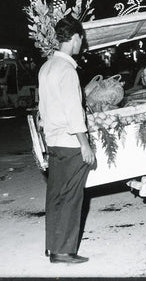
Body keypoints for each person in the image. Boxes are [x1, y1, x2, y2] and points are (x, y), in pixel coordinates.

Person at [38, 15, 95, 264]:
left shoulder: (47, 67)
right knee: (72, 198)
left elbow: (45, 108)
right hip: (71, 143)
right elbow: (74, 114)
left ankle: (53, 247)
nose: (81, 44)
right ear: (73, 39)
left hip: (53, 141)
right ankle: (65, 252)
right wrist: (86, 146)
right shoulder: (68, 70)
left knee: (56, 196)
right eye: (80, 39)